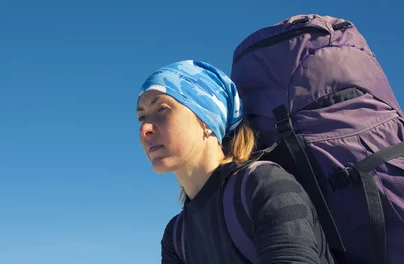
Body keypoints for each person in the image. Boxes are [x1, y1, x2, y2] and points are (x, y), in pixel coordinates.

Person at [136, 60, 335, 264]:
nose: (145, 129)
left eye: (162, 109)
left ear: (206, 118)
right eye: (141, 117)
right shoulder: (176, 235)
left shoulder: (264, 185)